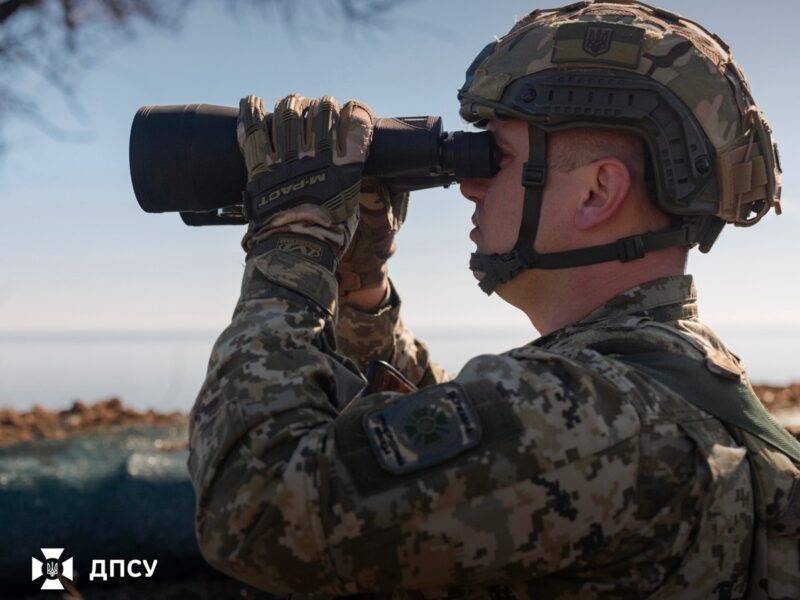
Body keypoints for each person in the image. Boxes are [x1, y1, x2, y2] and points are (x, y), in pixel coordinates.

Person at [187, 2, 800, 598]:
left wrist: (293, 246)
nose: (470, 185)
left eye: (497, 156)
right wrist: (358, 288)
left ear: (596, 193)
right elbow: (442, 433)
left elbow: (257, 508)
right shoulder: (671, 375)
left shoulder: (601, 415)